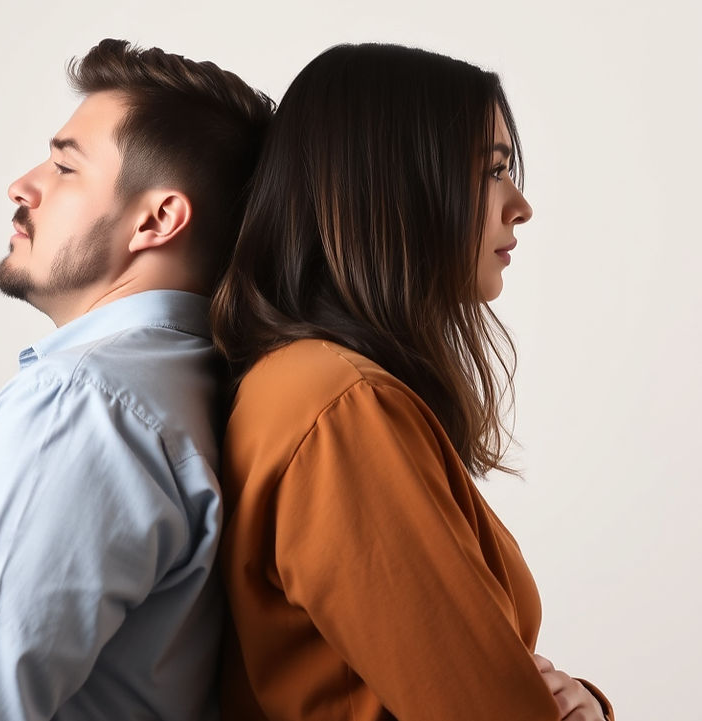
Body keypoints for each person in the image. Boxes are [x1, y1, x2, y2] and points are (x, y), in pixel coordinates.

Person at [211, 43, 614, 721]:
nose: (520, 206)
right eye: (491, 173)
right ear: (392, 184)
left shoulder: (310, 385)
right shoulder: (338, 407)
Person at [0, 39, 273, 721]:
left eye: (65, 166)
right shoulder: (211, 388)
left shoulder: (83, 405)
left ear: (157, 219)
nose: (23, 185)